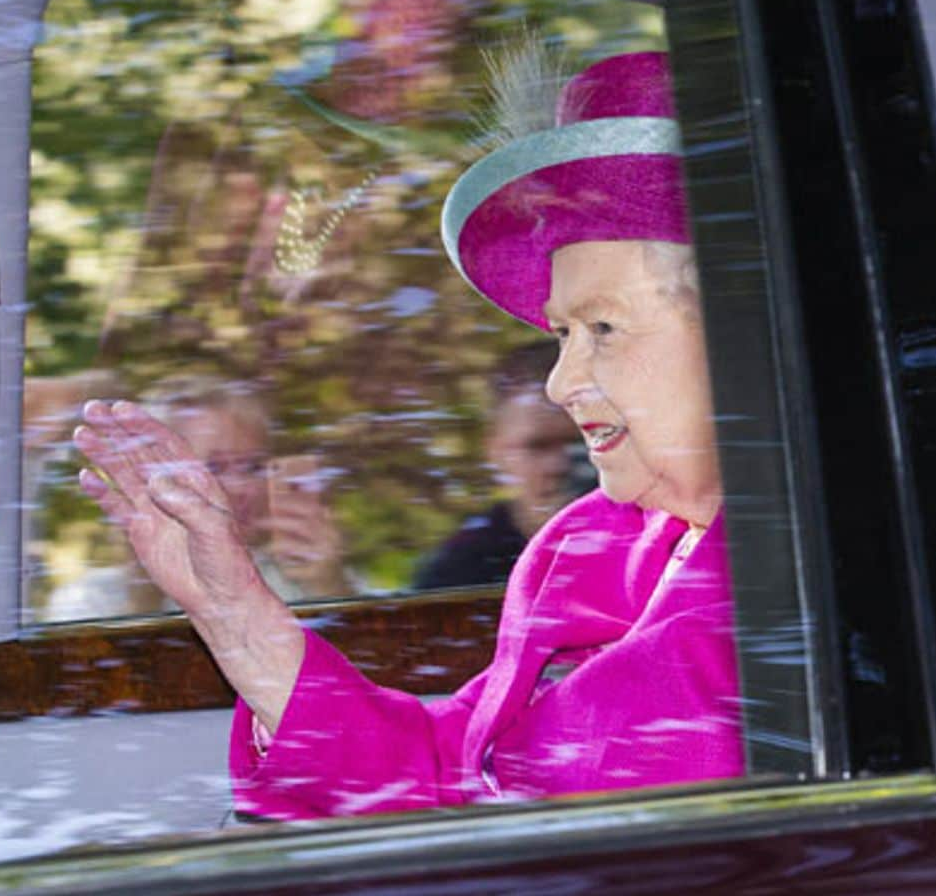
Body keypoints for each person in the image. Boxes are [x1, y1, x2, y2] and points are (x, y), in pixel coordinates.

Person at [74, 51, 746, 818]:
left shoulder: (840, 570)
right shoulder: (589, 547)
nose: (560, 383)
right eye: (562, 332)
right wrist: (236, 615)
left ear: (745, 327)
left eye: (602, 326)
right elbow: (441, 777)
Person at [47, 374, 354, 621]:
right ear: (152, 478)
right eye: (214, 467)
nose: (243, 486)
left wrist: (330, 587)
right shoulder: (91, 601)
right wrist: (145, 591)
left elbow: (375, 687)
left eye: (254, 466)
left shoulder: (303, 580)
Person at [412, 342, 582, 590]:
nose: (559, 465)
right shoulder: (460, 571)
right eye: (536, 446)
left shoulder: (656, 540)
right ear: (496, 452)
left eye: (581, 441)